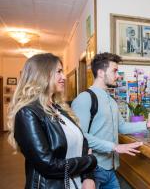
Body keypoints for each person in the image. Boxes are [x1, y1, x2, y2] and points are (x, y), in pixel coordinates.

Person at [7, 53, 97, 189]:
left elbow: (82, 144)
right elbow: (48, 165)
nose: (64, 77)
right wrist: (90, 161)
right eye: (59, 72)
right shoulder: (27, 113)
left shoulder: (59, 108)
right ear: (42, 74)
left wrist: (88, 178)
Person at [71, 52, 150, 189]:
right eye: (115, 71)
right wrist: (115, 147)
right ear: (101, 73)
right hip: (93, 169)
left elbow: (122, 126)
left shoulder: (111, 101)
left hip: (110, 168)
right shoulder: (84, 98)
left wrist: (147, 124)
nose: (118, 76)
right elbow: (80, 137)